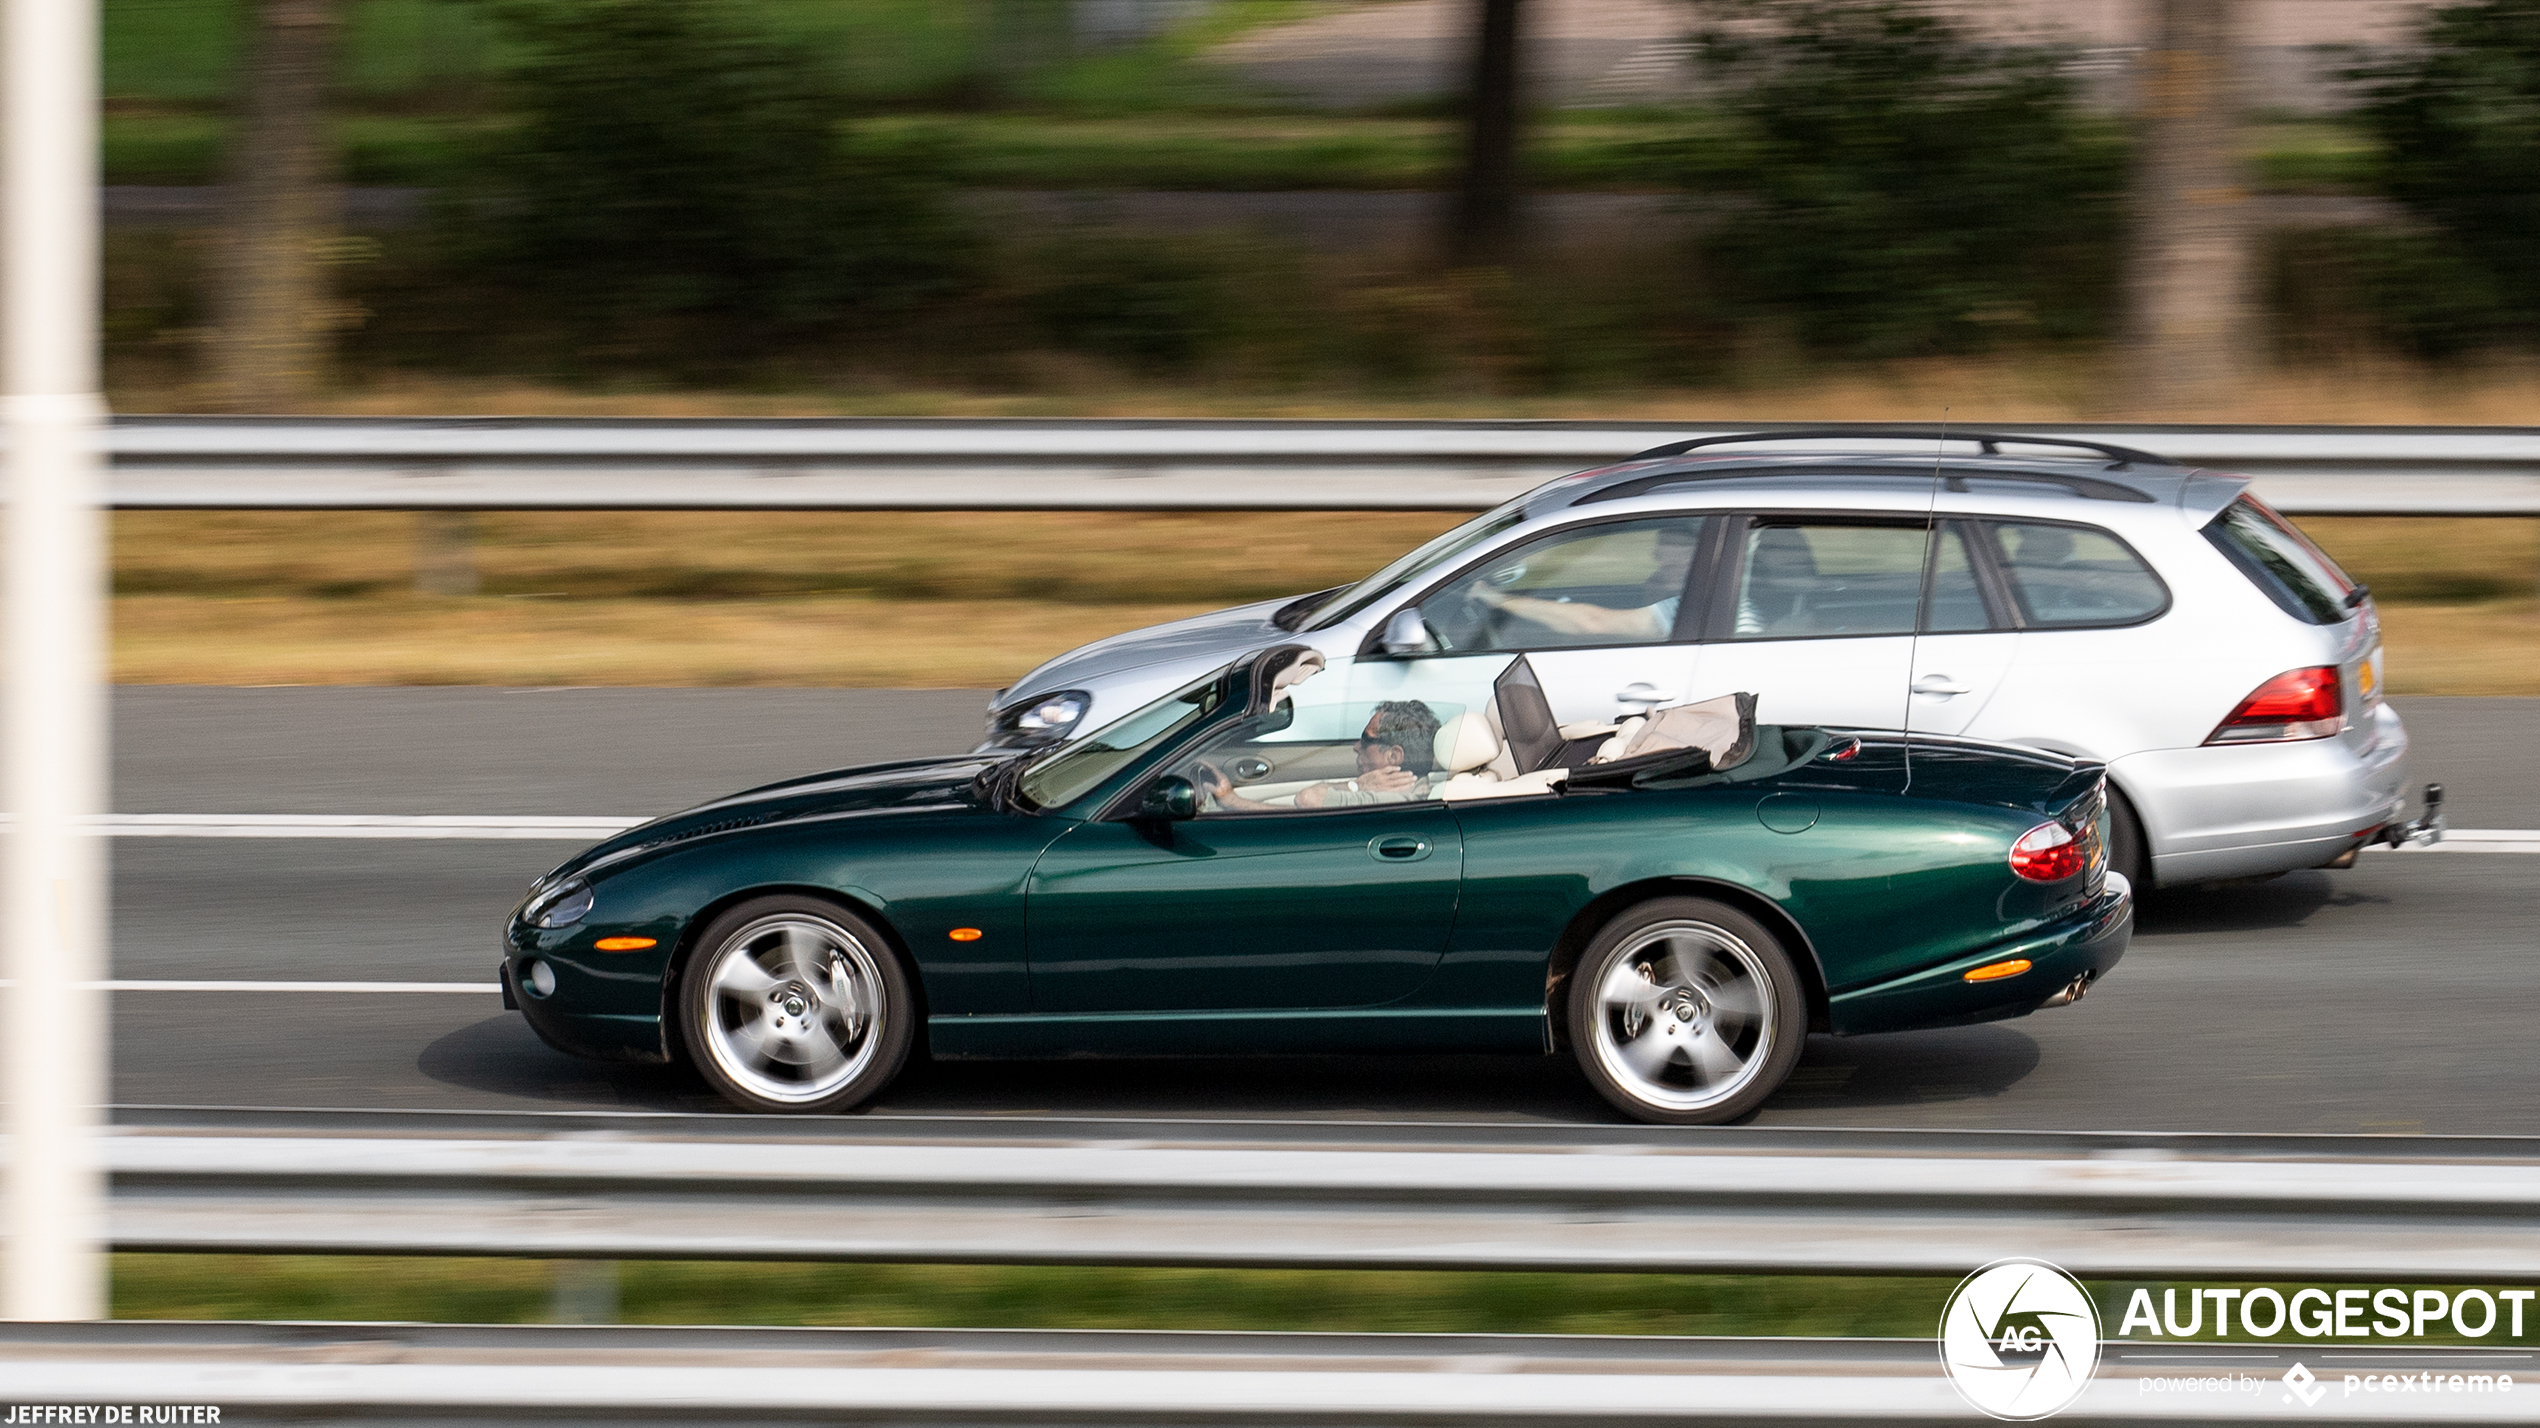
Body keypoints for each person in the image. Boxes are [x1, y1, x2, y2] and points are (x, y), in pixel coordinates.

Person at [1465, 523, 1699, 641]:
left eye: (1670, 550)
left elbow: (1592, 622)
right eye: (1659, 548)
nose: (1657, 556)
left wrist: (1497, 599)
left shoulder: (1689, 608)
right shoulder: (1699, 596)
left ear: (1697, 553)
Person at [1196, 700, 1441, 812]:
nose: (1356, 746)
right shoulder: (1419, 788)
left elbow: (1308, 800)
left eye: (1366, 740)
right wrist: (1234, 802)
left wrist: (1354, 785)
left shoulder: (1390, 798)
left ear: (1393, 756)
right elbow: (1303, 816)